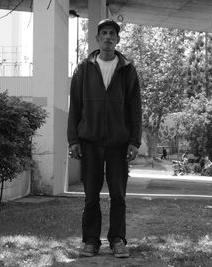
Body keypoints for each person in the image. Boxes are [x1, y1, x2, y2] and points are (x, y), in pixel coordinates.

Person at [67, 19, 142, 258]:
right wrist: (73, 140)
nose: (108, 37)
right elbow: (75, 107)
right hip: (90, 142)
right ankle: (90, 241)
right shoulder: (83, 68)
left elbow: (135, 108)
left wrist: (134, 141)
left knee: (118, 196)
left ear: (118, 39)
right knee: (91, 195)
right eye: (104, 33)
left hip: (119, 143)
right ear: (98, 39)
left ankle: (118, 240)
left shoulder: (127, 69)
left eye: (112, 34)